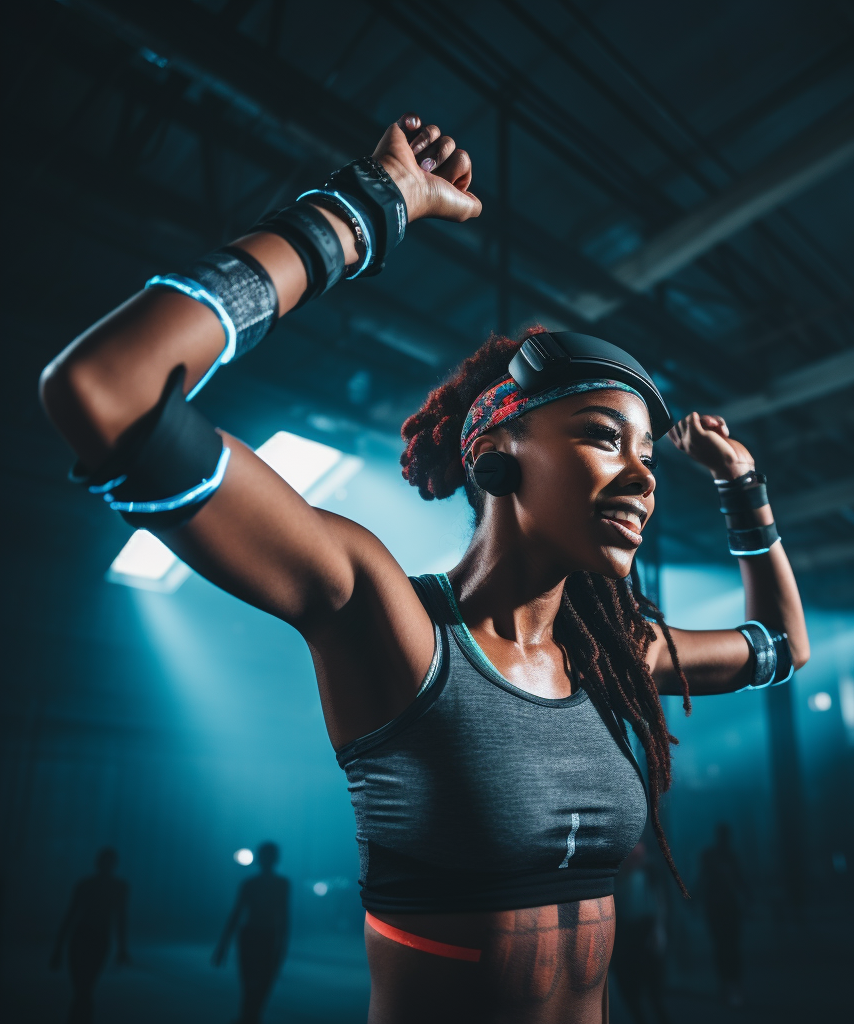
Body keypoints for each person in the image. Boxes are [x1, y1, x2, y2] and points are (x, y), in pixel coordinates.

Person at [39, 110, 809, 1023]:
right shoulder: (388, 619)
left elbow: (781, 646)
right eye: (605, 439)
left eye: (647, 453)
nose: (643, 476)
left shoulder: (616, 655)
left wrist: (746, 490)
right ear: (500, 451)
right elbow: (108, 391)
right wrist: (364, 211)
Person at [213, 841, 290, 1024]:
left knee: (255, 982)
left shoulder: (253, 884)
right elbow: (284, 918)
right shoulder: (280, 884)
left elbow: (236, 914)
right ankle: (251, 1017)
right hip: (261, 935)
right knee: (260, 981)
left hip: (255, 935)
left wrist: (222, 946)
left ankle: (249, 1017)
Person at [50, 847, 129, 1024]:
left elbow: (70, 917)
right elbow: (120, 919)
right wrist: (122, 949)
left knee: (82, 990)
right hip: (95, 939)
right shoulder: (118, 887)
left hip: (85, 938)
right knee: (84, 990)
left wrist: (58, 949)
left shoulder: (86, 885)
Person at [611, 840, 672, 1024]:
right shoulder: (616, 875)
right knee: (631, 991)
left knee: (654, 993)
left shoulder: (649, 872)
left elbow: (660, 902)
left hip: (646, 931)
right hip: (625, 935)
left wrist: (659, 930)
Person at [697, 823, 748, 1006]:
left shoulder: (713, 856)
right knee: (729, 947)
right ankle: (731, 986)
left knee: (724, 947)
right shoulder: (727, 856)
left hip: (719, 907)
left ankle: (728, 986)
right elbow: (740, 881)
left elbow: (702, 879)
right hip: (724, 907)